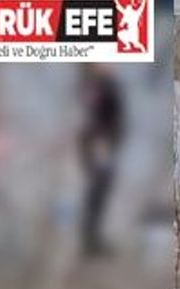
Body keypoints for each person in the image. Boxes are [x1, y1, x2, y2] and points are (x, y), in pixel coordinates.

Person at [78, 64, 125, 257]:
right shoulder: (97, 86)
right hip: (100, 143)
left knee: (101, 190)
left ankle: (92, 238)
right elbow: (94, 116)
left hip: (104, 142)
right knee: (97, 190)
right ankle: (90, 240)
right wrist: (101, 141)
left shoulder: (106, 85)